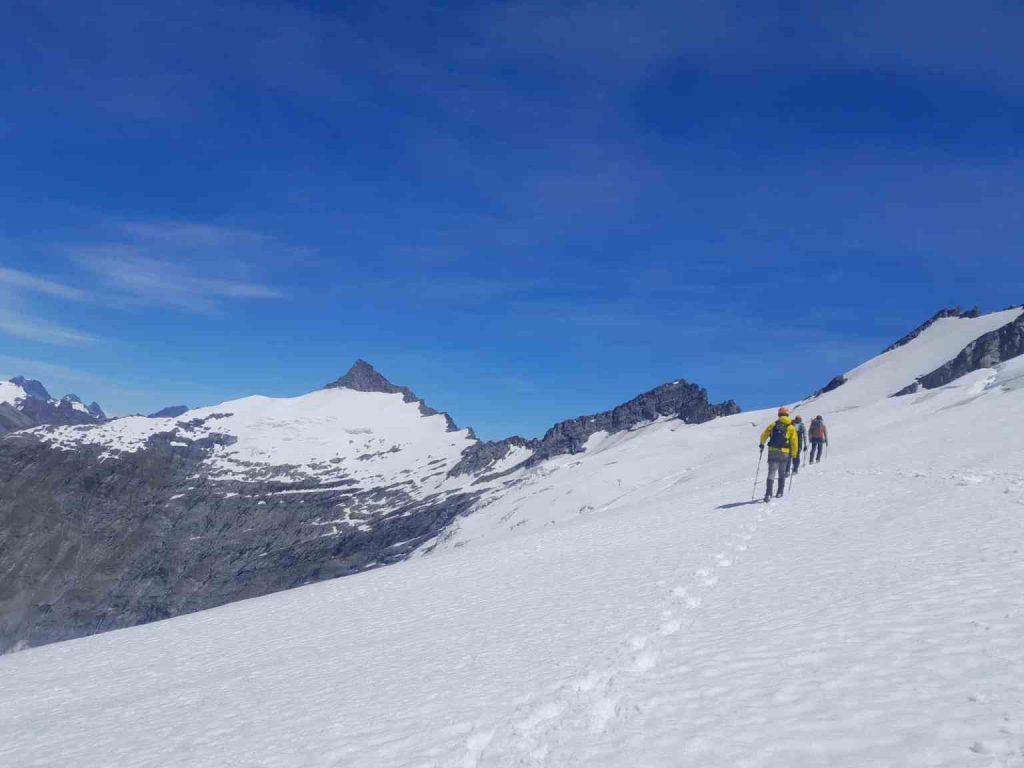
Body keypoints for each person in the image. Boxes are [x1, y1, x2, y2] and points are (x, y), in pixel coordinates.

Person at [759, 407, 799, 501]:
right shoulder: (791, 427)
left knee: (771, 472)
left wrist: (762, 443)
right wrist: (794, 454)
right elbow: (794, 442)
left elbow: (764, 434)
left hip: (772, 451)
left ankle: (768, 494)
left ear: (779, 415)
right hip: (784, 452)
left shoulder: (773, 424)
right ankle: (780, 492)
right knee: (782, 472)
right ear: (787, 415)